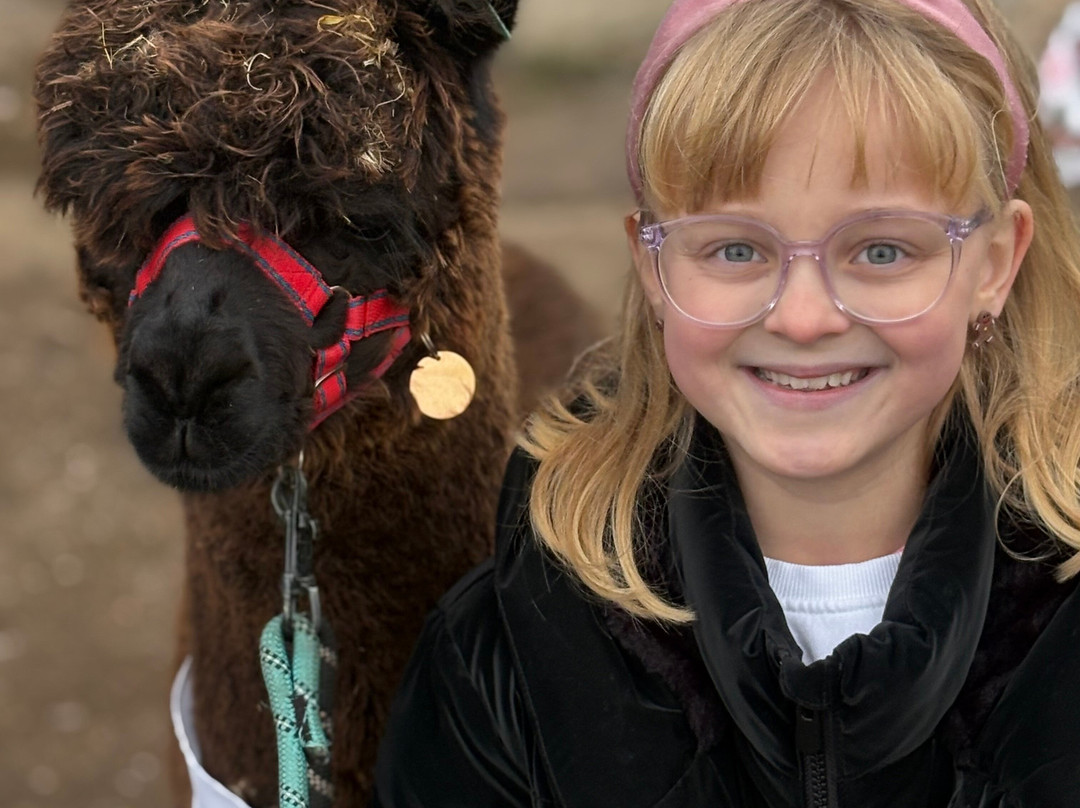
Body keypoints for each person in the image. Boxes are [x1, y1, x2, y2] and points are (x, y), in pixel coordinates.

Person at [372, 0, 1080, 804]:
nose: (804, 318)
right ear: (655, 267)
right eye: (736, 249)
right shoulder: (505, 657)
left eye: (883, 249)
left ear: (993, 263)